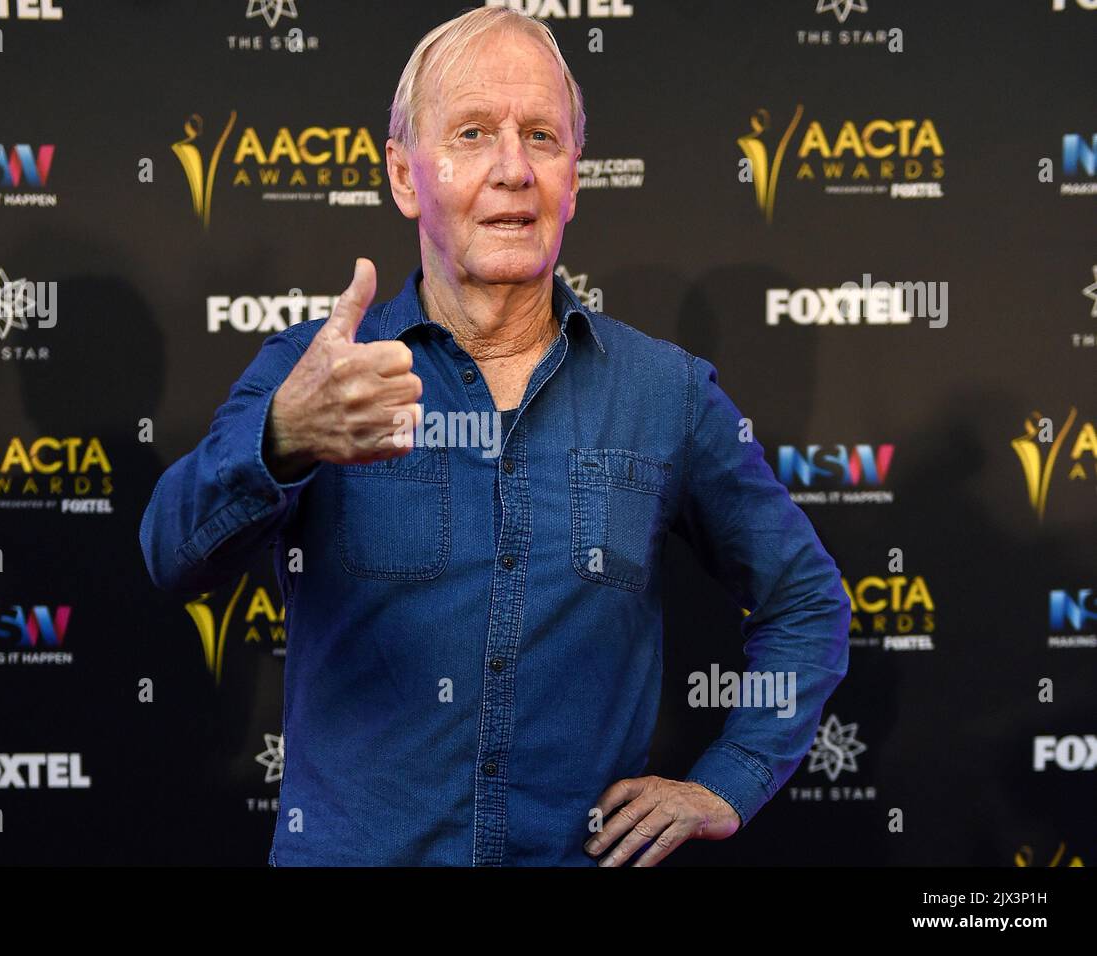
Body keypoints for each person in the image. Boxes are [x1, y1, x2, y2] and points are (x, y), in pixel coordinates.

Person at [140, 6, 849, 866]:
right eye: (473, 133)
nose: (513, 169)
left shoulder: (666, 393)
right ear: (405, 177)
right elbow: (171, 553)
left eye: (542, 137)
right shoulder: (318, 372)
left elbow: (807, 603)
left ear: (575, 179)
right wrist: (283, 437)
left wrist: (729, 778)